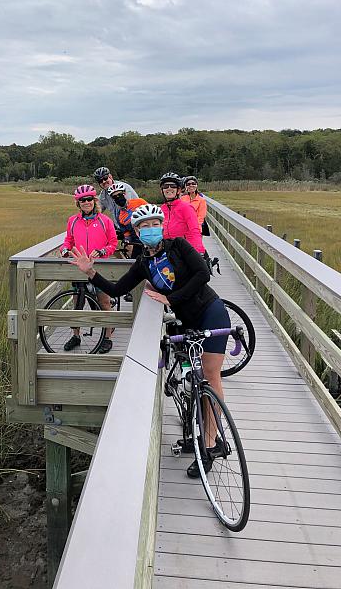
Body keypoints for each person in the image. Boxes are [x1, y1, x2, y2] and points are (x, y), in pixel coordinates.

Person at [69, 203, 230, 478]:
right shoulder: (144, 262)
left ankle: (212, 443)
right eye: (144, 226)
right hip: (185, 322)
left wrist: (171, 299)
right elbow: (119, 288)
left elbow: (203, 273)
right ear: (137, 232)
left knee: (211, 375)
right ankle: (197, 431)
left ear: (161, 225)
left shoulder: (178, 246)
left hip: (211, 312)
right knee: (192, 376)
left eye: (154, 223)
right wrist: (91, 272)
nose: (150, 229)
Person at [60, 184, 118, 353]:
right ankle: (76, 336)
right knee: (77, 303)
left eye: (88, 199)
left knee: (104, 302)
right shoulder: (73, 221)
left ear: (94, 201)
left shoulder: (104, 221)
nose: (86, 202)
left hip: (99, 268)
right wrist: (65, 249)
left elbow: (113, 243)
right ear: (78, 203)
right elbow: (68, 240)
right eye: (82, 200)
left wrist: (102, 251)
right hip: (79, 267)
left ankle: (107, 337)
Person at [159, 172, 205, 254]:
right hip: (167, 249)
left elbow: (194, 230)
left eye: (173, 186)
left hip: (184, 249)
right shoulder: (161, 209)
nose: (169, 188)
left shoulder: (186, 207)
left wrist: (198, 252)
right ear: (161, 190)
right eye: (165, 186)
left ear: (178, 190)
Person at [107, 181, 147, 258]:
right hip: (137, 244)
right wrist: (127, 244)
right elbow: (127, 234)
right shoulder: (119, 216)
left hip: (150, 238)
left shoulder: (139, 202)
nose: (118, 198)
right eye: (115, 197)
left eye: (120, 195)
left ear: (125, 194)